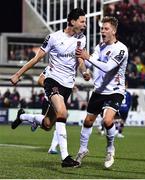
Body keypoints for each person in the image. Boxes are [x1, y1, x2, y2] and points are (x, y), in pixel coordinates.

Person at [10, 8, 90, 168]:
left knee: (47, 125)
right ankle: (66, 158)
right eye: (82, 21)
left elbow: (80, 61)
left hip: (67, 85)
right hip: (52, 81)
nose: (85, 24)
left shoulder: (82, 38)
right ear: (72, 21)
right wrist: (18, 74)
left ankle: (23, 117)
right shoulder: (53, 38)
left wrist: (85, 72)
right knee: (63, 112)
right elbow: (36, 58)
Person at [75, 16, 128, 168]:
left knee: (107, 121)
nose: (102, 31)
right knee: (87, 121)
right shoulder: (100, 47)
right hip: (99, 91)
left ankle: (110, 149)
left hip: (115, 90)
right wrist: (82, 64)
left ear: (114, 31)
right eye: (101, 29)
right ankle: (83, 150)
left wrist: (87, 57)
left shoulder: (121, 49)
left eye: (106, 29)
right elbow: (88, 61)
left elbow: (107, 67)